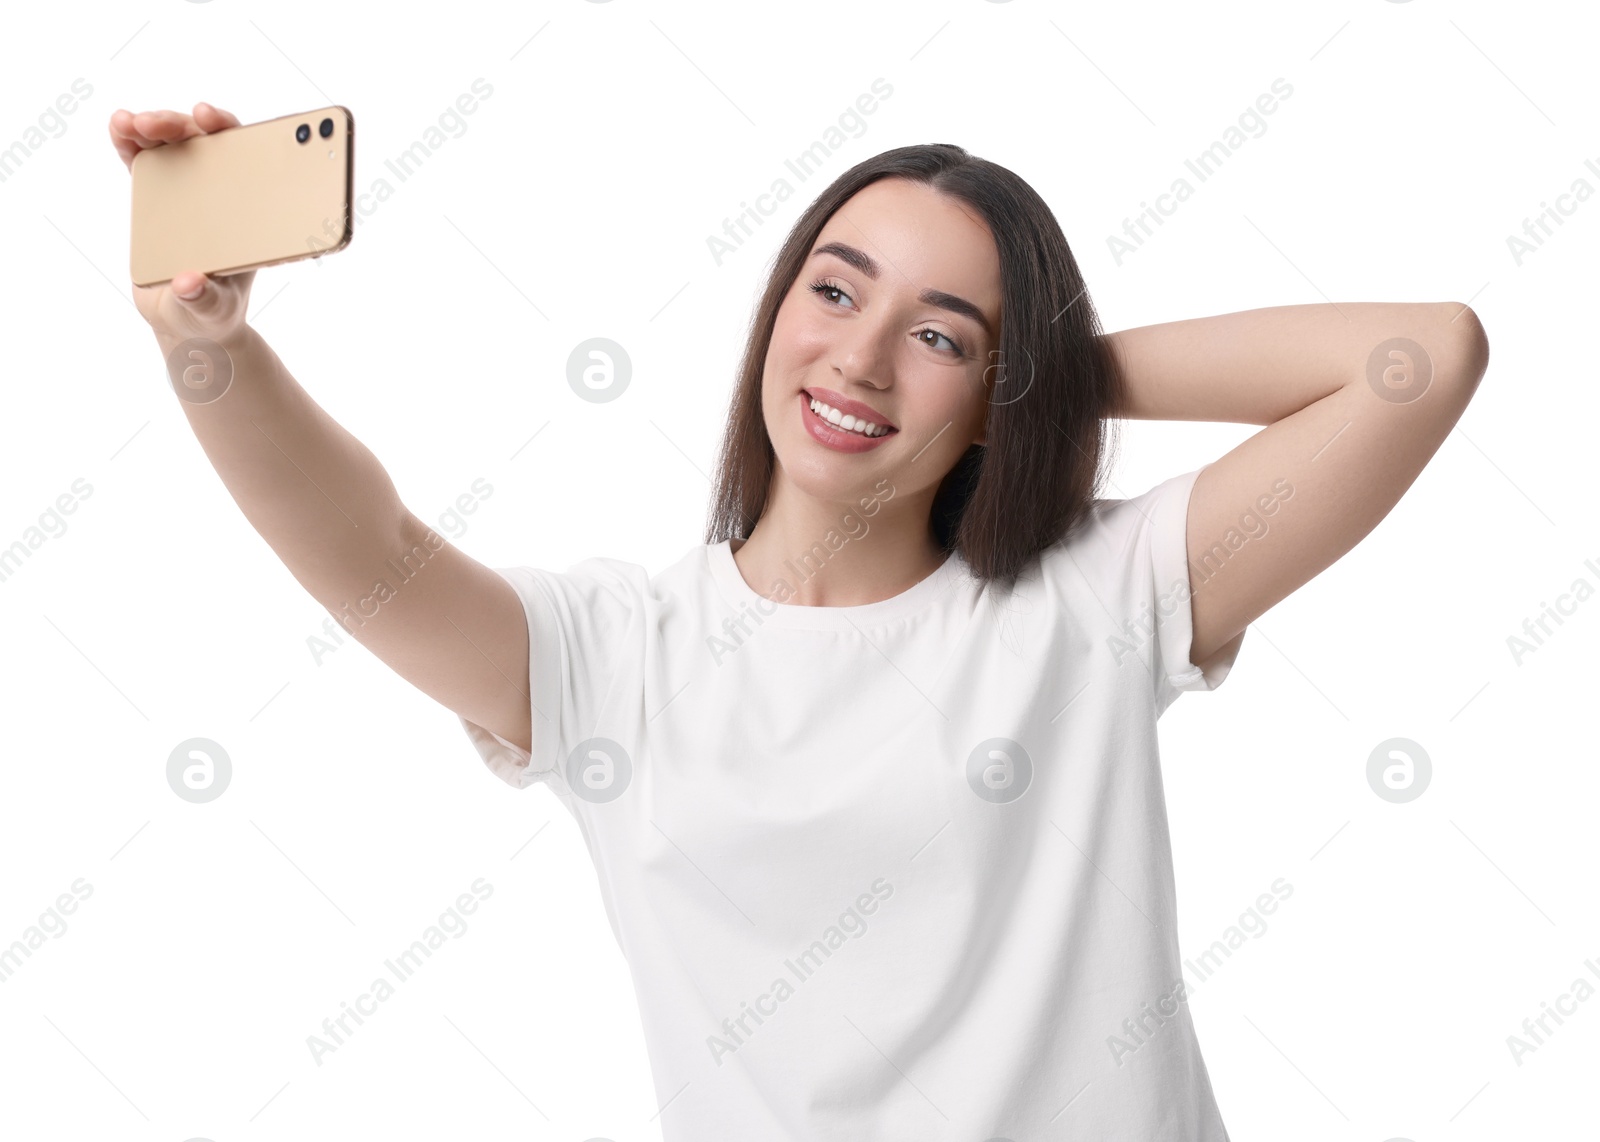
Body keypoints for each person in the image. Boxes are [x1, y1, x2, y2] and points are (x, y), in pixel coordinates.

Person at [112, 104, 1490, 1140]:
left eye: (943, 334)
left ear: (996, 386)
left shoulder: (1095, 596)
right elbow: (374, 547)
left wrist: (1055, 373)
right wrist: (209, 347)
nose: (859, 356)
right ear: (775, 309)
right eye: (833, 289)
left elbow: (1421, 361)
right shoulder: (616, 659)